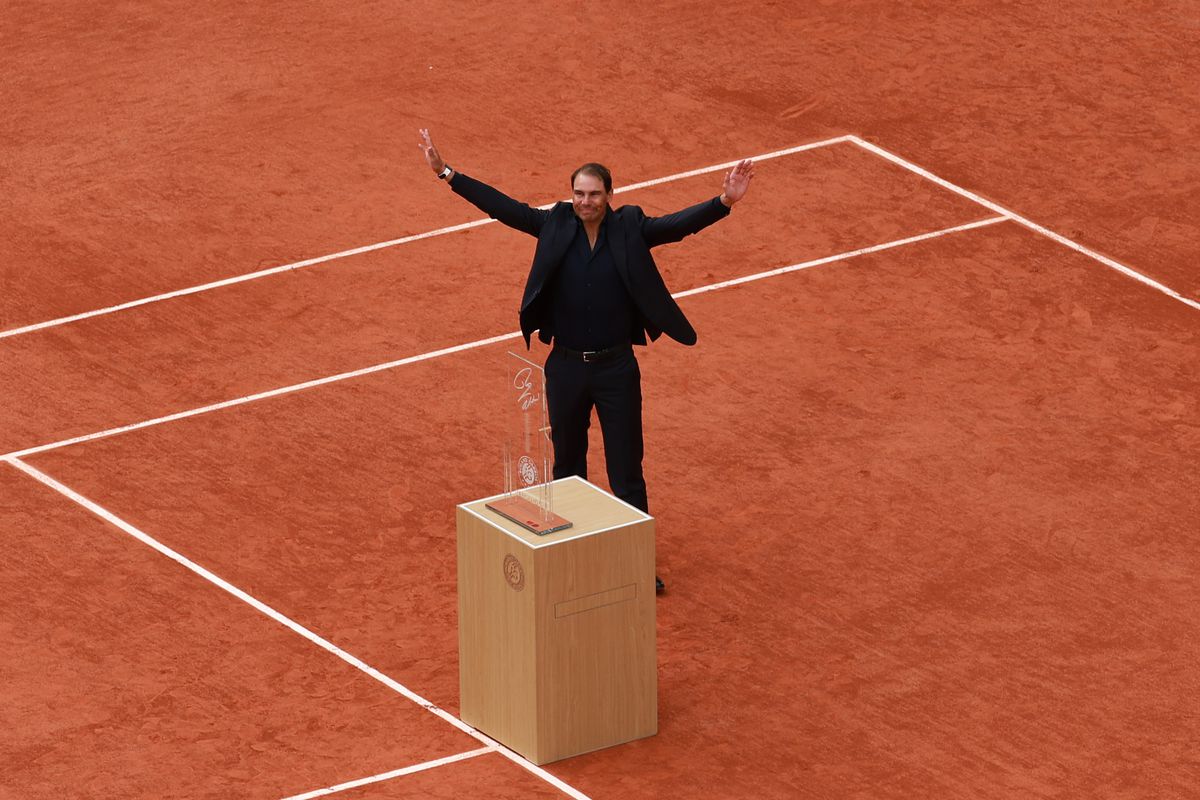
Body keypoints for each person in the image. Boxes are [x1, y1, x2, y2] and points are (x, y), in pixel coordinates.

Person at [419, 129, 753, 592]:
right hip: (566, 369)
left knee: (626, 468)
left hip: (616, 369)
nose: (585, 201)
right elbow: (505, 208)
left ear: (609, 196)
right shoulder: (554, 223)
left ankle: (634, 562)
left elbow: (678, 226)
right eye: (578, 193)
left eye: (594, 194)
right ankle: (572, 555)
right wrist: (447, 174)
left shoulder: (631, 226)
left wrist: (723, 202)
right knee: (568, 466)